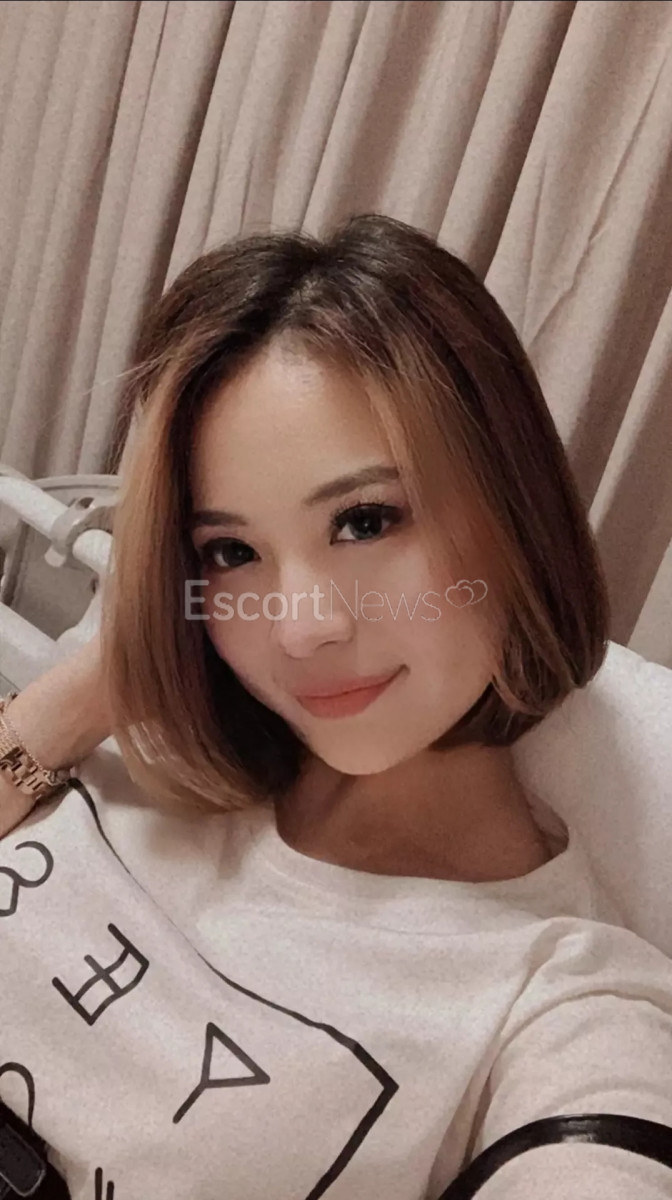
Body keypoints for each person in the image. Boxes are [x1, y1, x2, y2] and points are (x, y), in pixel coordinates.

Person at [1, 212, 672, 1200]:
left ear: (515, 514)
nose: (300, 627)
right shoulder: (155, 747)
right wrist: (111, 671)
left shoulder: (560, 1004)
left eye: (365, 521)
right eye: (231, 551)